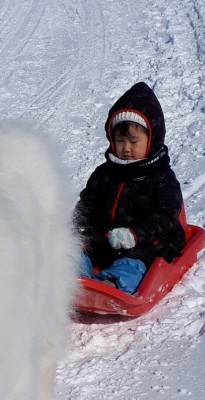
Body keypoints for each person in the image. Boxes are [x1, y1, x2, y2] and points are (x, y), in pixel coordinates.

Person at [74, 81, 186, 294]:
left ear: (151, 140)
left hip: (145, 242)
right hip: (104, 238)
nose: (126, 148)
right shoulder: (104, 173)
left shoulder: (161, 178)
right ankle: (72, 279)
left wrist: (134, 234)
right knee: (74, 251)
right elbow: (87, 204)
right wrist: (74, 226)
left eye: (133, 142)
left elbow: (165, 215)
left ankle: (111, 285)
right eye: (120, 140)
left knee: (135, 262)